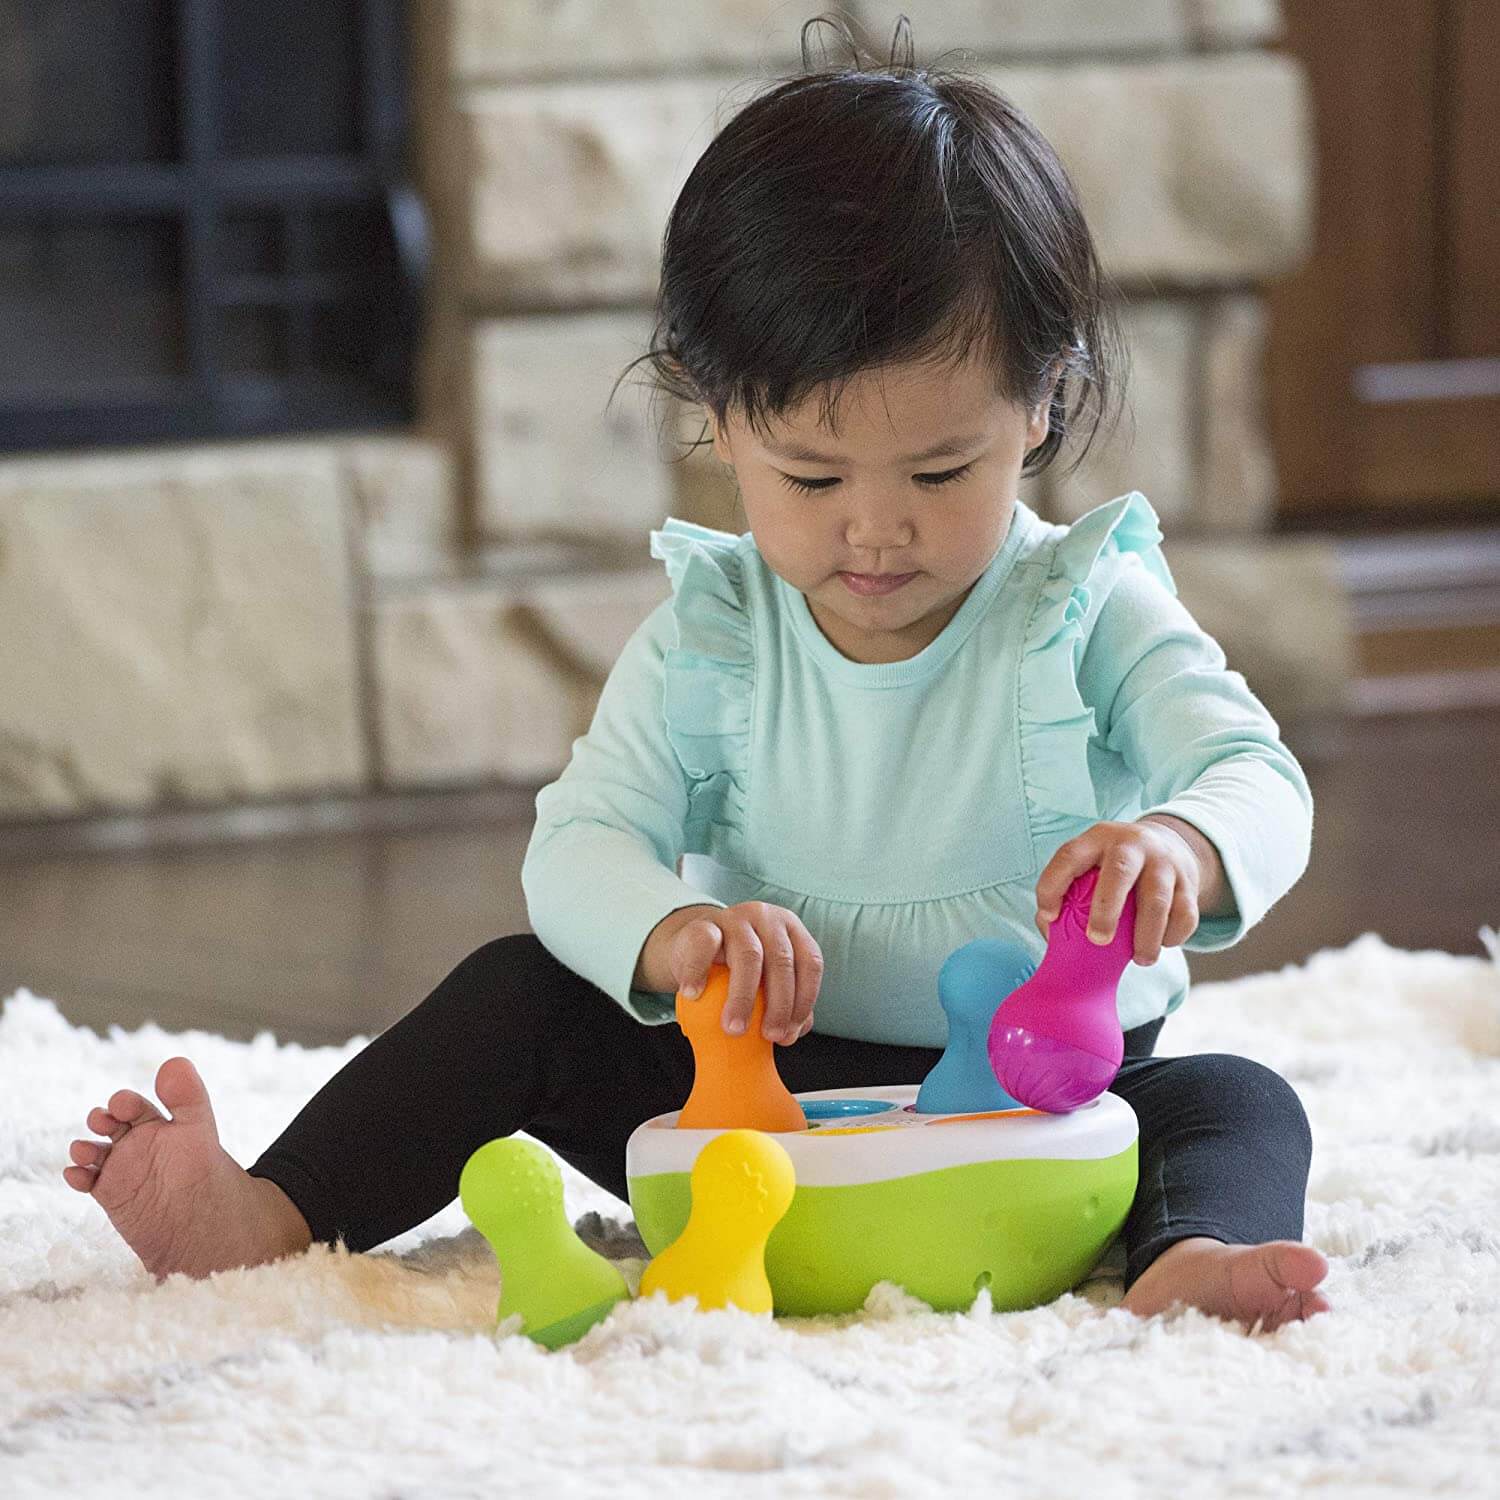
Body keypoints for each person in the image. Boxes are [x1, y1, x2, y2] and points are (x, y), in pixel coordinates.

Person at [63, 16, 1330, 1331]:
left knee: (1239, 1102)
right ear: (720, 420)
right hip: (754, 1123)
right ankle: (265, 1215)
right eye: (813, 475)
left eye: (940, 472)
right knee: (516, 995)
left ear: (1044, 402)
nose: (876, 528)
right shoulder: (714, 636)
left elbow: (1256, 773)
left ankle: (1185, 1258)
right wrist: (672, 937)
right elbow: (583, 840)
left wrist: (1185, 843)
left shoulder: (1085, 606)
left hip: (1043, 1121)